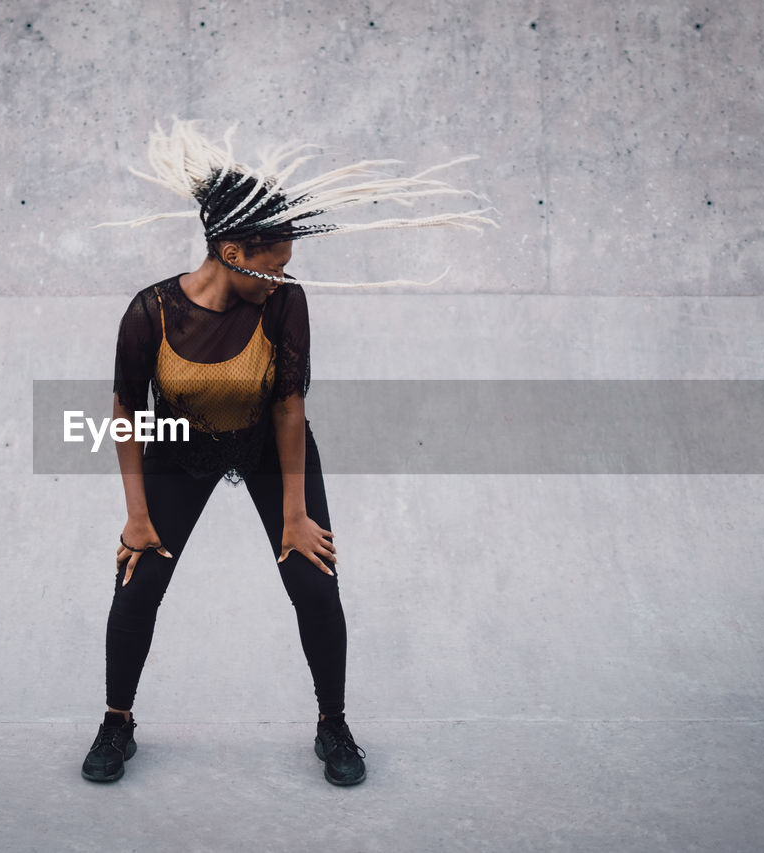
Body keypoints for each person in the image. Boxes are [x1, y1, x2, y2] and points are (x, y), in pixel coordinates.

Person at [81, 120, 494, 786]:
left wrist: (296, 516)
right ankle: (116, 722)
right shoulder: (149, 311)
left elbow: (288, 407)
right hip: (178, 449)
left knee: (314, 582)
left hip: (272, 448)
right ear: (229, 247)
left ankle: (333, 724)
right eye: (273, 261)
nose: (283, 274)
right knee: (137, 584)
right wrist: (136, 514)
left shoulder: (284, 304)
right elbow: (127, 413)